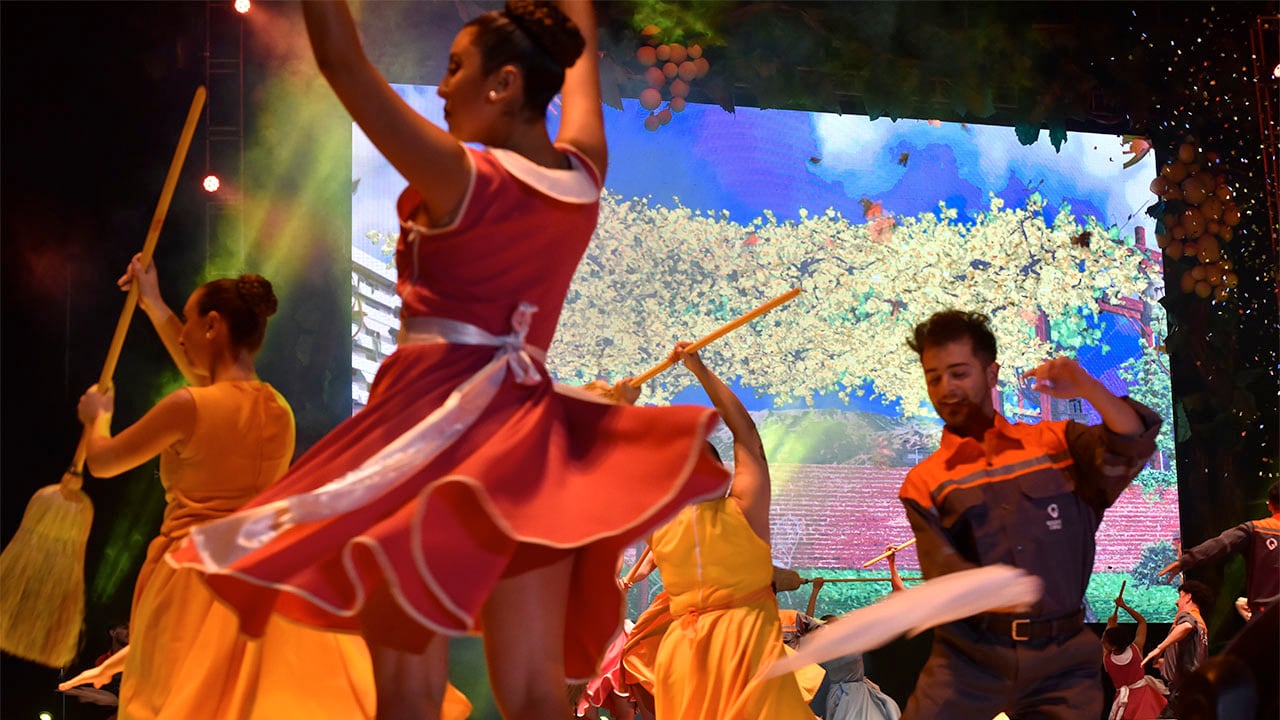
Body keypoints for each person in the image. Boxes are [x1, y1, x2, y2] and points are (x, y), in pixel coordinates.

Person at [168, 3, 729, 718]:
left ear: (501, 84)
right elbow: (581, 60)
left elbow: (343, 63)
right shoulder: (583, 176)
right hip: (526, 446)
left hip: (424, 435)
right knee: (533, 694)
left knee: (406, 697)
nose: (439, 89)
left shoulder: (465, 179)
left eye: (453, 69)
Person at [61, 258, 382, 719]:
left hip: (192, 582)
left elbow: (103, 461)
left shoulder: (188, 406)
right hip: (257, 578)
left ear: (212, 325)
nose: (182, 336)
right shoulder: (277, 410)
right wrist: (154, 304)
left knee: (181, 703)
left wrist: (98, 418)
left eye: (188, 323)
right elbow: (215, 397)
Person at [896, 310, 1162, 720]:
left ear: (991, 373)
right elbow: (943, 575)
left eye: (959, 372)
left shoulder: (1056, 445)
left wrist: (1087, 386)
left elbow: (1132, 438)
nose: (946, 388)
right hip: (969, 659)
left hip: (1063, 661)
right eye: (934, 377)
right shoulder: (925, 481)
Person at [621, 342, 817, 719]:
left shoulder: (743, 507)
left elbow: (746, 435)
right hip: (686, 657)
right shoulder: (659, 524)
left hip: (745, 645)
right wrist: (624, 408)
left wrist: (701, 371)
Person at [1158, 481, 1280, 618]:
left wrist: (1184, 561)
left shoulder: (1256, 529)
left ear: (1270, 504)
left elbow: (1220, 544)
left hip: (1266, 617)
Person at [1143, 579, 1211, 717]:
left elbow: (1186, 626)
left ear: (1188, 597)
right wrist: (1166, 662)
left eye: (1180, 596)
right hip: (1191, 689)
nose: (1176, 602)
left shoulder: (1188, 616)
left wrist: (1159, 648)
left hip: (1184, 691)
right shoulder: (1201, 623)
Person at [1101, 593, 1167, 720]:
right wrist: (1124, 606)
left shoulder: (1107, 660)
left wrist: (1110, 624)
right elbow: (1142, 622)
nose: (1103, 641)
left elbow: (1104, 642)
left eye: (1105, 640)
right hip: (1144, 697)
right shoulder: (1136, 648)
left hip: (1124, 702)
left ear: (1113, 647)